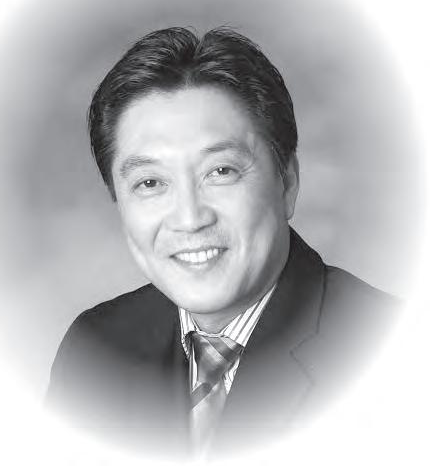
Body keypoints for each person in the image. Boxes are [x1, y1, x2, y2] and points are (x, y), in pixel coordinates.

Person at [46, 27, 398, 458]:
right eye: (150, 182)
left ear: (287, 182)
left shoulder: (394, 354)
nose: (190, 218)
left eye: (221, 171)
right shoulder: (94, 352)